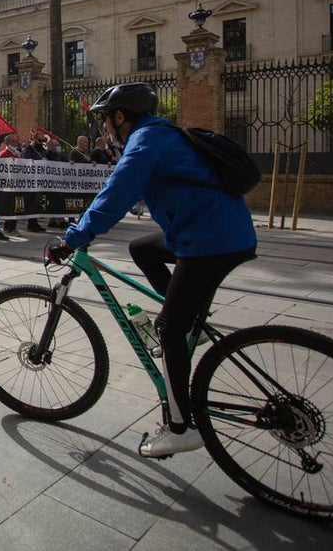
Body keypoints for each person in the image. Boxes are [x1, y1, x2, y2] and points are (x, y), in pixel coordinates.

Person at [58, 82, 257, 458]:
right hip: (212, 232)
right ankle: (191, 326)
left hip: (209, 241)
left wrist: (74, 237)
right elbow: (126, 192)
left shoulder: (146, 142)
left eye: (106, 120)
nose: (104, 129)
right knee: (141, 248)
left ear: (121, 117)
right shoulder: (162, 132)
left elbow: (115, 195)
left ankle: (180, 427)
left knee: (167, 328)